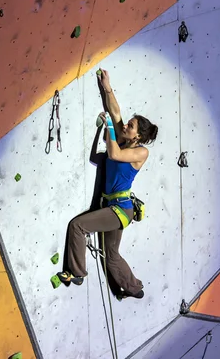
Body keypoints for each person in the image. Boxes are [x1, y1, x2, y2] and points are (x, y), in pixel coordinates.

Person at [57, 68, 159, 299]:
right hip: (112, 207)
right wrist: (107, 86)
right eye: (128, 124)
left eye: (130, 127)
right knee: (111, 254)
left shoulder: (140, 152)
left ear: (138, 136)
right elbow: (115, 111)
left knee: (78, 226)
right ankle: (134, 288)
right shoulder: (126, 140)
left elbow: (112, 154)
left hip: (120, 209)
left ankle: (77, 272)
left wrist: (109, 128)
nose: (125, 127)